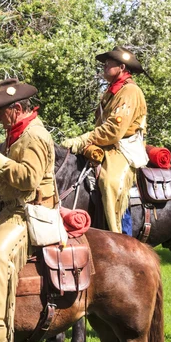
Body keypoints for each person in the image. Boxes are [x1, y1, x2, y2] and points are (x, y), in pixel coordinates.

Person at [0, 78, 56, 342]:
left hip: (28, 211)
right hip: (9, 209)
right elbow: (1, 173)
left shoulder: (34, 136)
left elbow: (29, 179)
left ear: (16, 108)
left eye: (0, 110)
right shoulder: (16, 133)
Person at [61, 46, 148, 234]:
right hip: (108, 145)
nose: (105, 65)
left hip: (123, 147)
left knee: (110, 182)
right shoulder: (112, 91)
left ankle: (122, 235)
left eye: (110, 63)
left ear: (122, 67)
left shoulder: (130, 91)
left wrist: (84, 139)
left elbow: (114, 130)